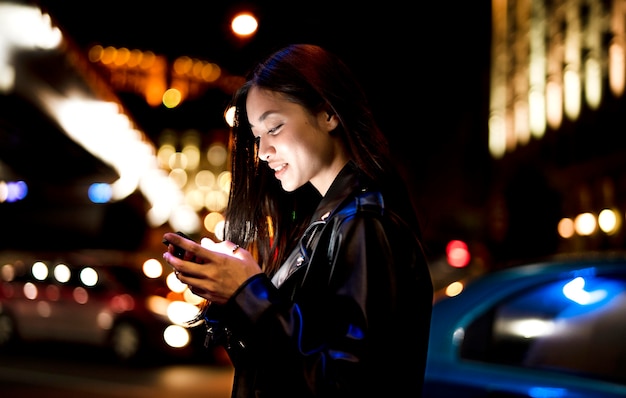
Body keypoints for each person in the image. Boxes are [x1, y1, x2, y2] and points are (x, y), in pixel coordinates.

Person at [162, 43, 433, 397]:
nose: (262, 152)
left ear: (328, 114)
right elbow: (276, 361)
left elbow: (344, 384)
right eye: (257, 138)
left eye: (273, 128)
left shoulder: (365, 222)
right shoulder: (323, 221)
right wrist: (229, 296)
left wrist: (248, 293)